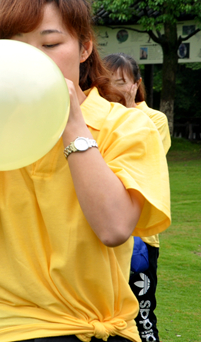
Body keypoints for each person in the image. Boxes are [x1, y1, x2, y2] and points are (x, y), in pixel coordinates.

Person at [0, 0, 171, 342]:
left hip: (98, 329)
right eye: (17, 46)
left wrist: (73, 124)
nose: (33, 60)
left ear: (84, 47)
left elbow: (114, 228)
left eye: (49, 44)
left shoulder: (127, 126)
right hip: (7, 328)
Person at [104, 53, 170, 342]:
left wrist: (129, 110)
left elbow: (139, 166)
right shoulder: (94, 117)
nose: (113, 88)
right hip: (100, 231)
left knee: (141, 316)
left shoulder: (153, 119)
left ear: (136, 84)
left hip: (139, 235)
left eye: (121, 82)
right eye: (107, 81)